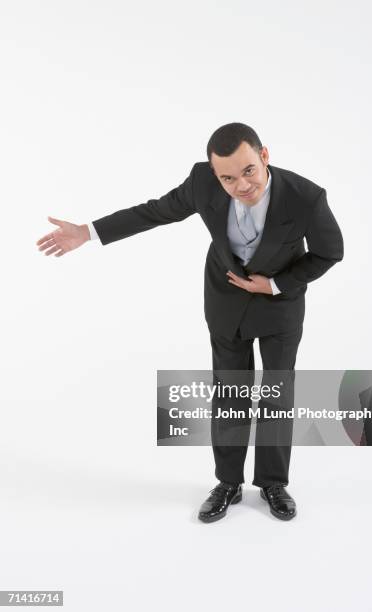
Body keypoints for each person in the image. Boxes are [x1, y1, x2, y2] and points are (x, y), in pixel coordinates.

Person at [36, 122, 344, 523]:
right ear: (215, 173)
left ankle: (273, 483)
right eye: (228, 177)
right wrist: (88, 232)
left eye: (248, 171)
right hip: (226, 301)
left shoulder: (305, 197)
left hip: (279, 306)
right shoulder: (203, 182)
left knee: (276, 394)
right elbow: (155, 212)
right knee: (230, 393)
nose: (241, 185)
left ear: (264, 155)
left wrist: (275, 284)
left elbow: (330, 251)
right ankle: (228, 482)